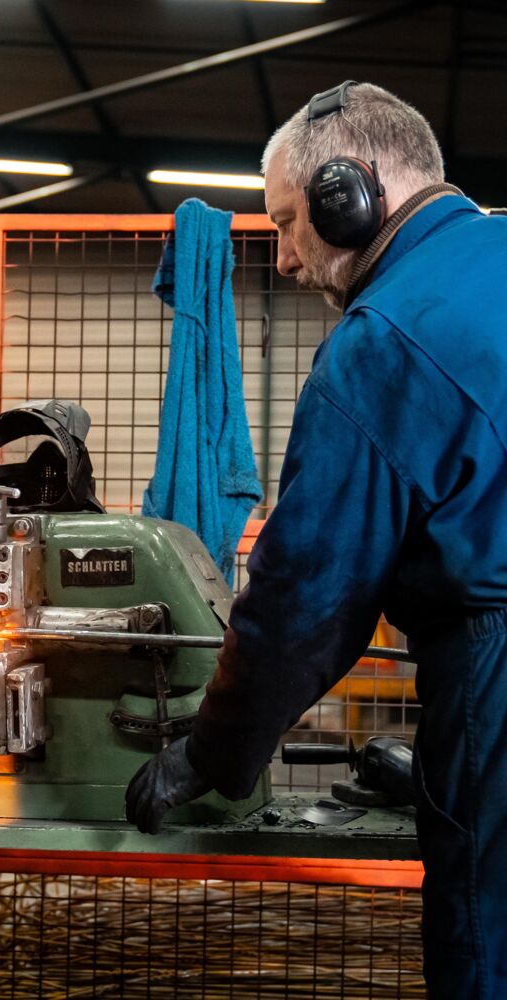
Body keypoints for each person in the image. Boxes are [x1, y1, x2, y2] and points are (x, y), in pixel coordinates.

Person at [125, 81, 507, 998]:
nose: (287, 259)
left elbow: (306, 604)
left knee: (489, 949)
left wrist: (210, 754)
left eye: (291, 222)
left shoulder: (381, 343)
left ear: (351, 194)